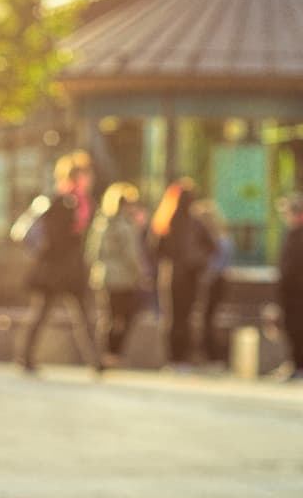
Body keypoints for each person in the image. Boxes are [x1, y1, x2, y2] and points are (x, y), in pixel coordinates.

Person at [14, 151, 104, 376]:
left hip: (71, 268)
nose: (89, 179)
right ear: (76, 177)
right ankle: (24, 357)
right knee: (43, 312)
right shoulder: (61, 202)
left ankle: (96, 360)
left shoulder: (83, 203)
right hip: (55, 269)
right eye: (85, 174)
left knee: (83, 314)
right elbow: (55, 237)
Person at [150, 179, 217, 373]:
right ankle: (181, 357)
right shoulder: (190, 222)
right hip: (186, 275)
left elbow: (155, 249)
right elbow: (212, 246)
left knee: (175, 317)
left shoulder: (167, 220)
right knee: (183, 317)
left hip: (174, 275)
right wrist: (198, 260)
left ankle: (175, 357)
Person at [86, 182, 150, 368]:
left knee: (109, 316)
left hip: (103, 277)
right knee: (124, 316)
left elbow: (91, 253)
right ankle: (113, 354)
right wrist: (142, 273)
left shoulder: (101, 222)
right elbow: (132, 254)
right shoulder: (124, 224)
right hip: (123, 278)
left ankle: (105, 354)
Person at [274, 194, 303, 381]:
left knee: (297, 327)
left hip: (298, 291)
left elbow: (301, 265)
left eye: (288, 213)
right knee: (291, 327)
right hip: (290, 289)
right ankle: (295, 363)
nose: (285, 217)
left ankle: (302, 365)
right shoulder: (294, 233)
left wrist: (293, 283)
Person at [193, 201, 232, 367]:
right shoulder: (219, 238)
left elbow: (218, 264)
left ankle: (212, 354)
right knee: (206, 317)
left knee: (209, 317)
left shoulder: (220, 240)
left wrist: (205, 276)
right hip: (214, 281)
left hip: (214, 282)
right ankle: (208, 353)